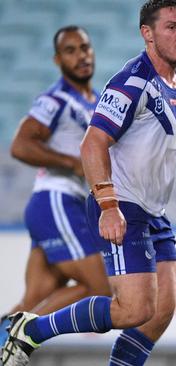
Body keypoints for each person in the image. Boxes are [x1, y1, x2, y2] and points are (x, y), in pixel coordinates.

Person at [1, 1, 176, 366]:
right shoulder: (132, 80)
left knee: (161, 310)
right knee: (133, 308)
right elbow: (92, 142)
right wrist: (108, 205)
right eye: (171, 27)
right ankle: (32, 330)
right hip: (122, 205)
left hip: (154, 211)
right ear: (147, 34)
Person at [0, 25, 111, 347]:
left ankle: (7, 339)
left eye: (85, 48)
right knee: (99, 289)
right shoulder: (55, 99)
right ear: (57, 59)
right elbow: (21, 145)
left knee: (34, 299)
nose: (82, 56)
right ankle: (24, 336)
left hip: (61, 206)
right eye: (71, 50)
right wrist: (73, 162)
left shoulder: (98, 102)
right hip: (57, 201)